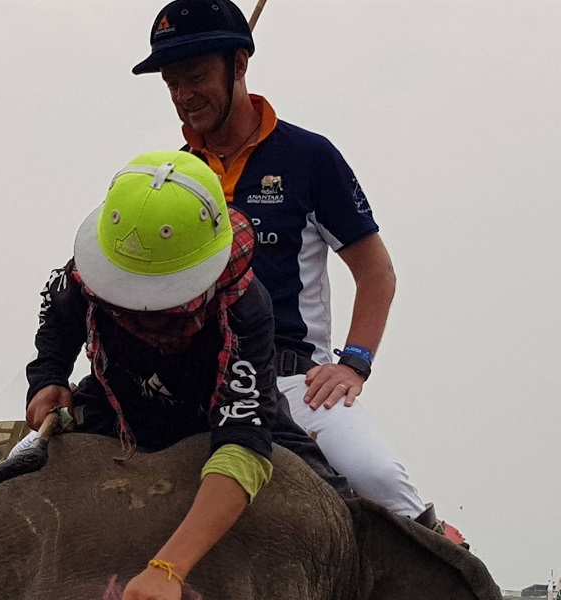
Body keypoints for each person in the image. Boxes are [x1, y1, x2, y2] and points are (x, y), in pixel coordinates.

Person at [130, 0, 463, 541]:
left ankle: (446, 559)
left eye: (195, 76)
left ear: (239, 64)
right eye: (171, 83)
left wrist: (354, 363)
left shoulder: (309, 157)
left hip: (290, 380)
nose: (183, 96)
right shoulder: (175, 175)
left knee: (377, 477)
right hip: (192, 378)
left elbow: (377, 272)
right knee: (38, 454)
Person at [25, 150, 353, 599]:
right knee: (6, 484)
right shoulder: (84, 275)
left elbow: (242, 438)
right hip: (115, 407)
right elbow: (58, 320)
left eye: (161, 302)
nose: (144, 313)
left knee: (347, 511)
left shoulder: (245, 306)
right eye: (128, 298)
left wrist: (168, 568)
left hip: (217, 413)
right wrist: (49, 379)